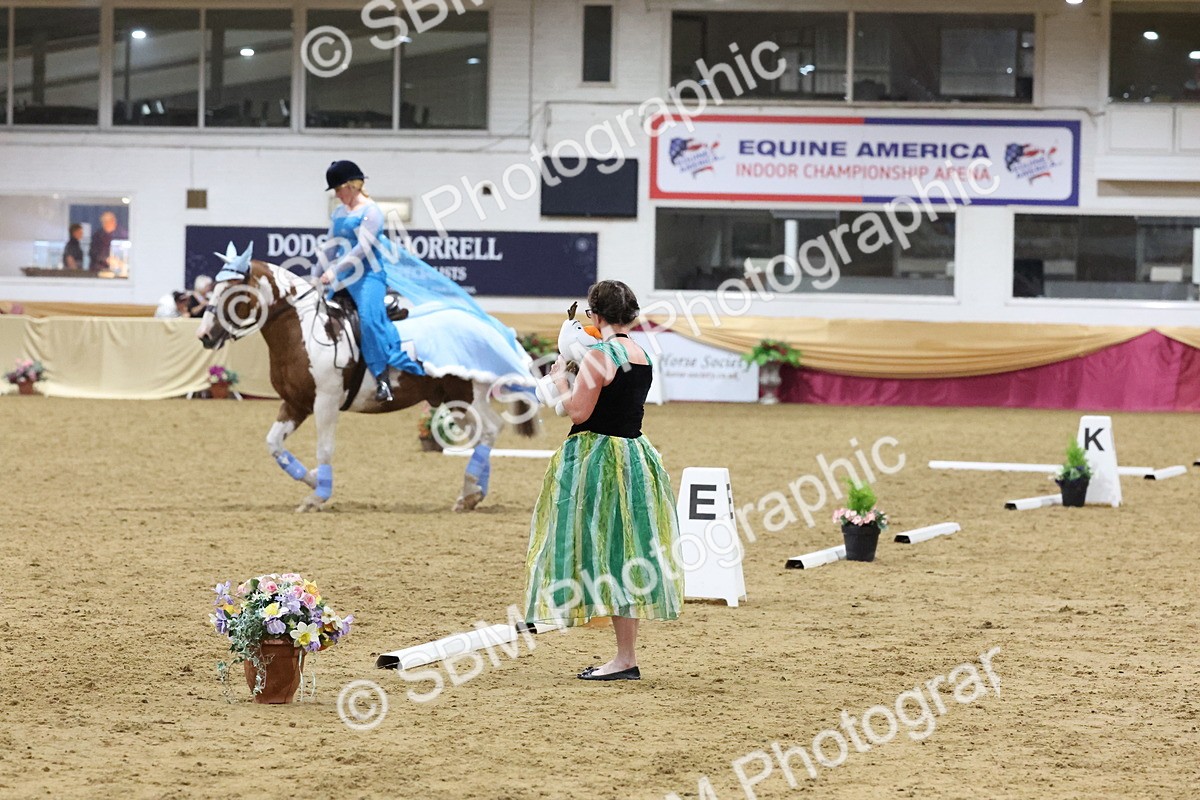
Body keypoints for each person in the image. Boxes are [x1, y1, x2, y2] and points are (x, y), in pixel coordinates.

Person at [522, 280, 683, 681]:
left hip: (597, 459)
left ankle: (623, 657)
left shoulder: (600, 355)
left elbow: (577, 411)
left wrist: (559, 377)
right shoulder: (640, 353)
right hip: (634, 455)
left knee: (600, 550)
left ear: (595, 317)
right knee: (626, 552)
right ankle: (625, 656)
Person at [318, 160, 424, 402]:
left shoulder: (372, 212)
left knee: (367, 319)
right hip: (344, 277)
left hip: (368, 276)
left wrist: (334, 271)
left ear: (352, 186)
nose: (337, 195)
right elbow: (329, 248)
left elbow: (362, 248)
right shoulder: (338, 213)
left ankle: (382, 378)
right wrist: (313, 278)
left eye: (338, 189)